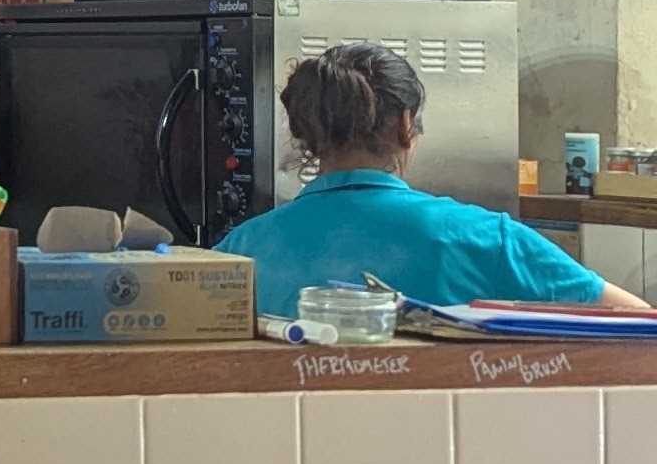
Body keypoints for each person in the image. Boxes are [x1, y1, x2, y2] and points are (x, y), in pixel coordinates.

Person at [218, 44, 651, 323]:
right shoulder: (488, 239)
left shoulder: (241, 249)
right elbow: (636, 323)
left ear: (304, 135)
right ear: (406, 127)